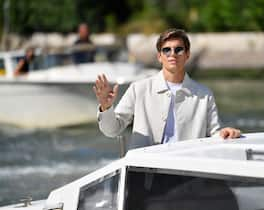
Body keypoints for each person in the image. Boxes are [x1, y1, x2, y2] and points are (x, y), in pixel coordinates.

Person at [94, 28, 241, 149]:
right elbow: (112, 130)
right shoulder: (138, 89)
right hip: (144, 172)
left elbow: (215, 133)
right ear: (159, 56)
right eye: (167, 50)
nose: (173, 54)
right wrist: (106, 108)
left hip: (188, 172)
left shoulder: (204, 94)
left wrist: (226, 133)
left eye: (178, 49)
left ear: (187, 54)